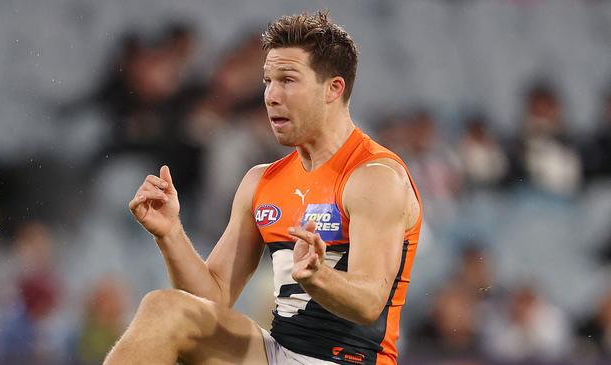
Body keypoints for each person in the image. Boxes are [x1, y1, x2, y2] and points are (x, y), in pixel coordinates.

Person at [104, 10, 422, 365]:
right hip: (281, 354)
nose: (270, 95)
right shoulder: (261, 180)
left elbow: (369, 302)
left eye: (287, 80)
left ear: (333, 88)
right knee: (164, 309)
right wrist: (170, 234)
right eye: (268, 80)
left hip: (346, 360)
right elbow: (213, 297)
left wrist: (318, 277)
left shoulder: (374, 176)